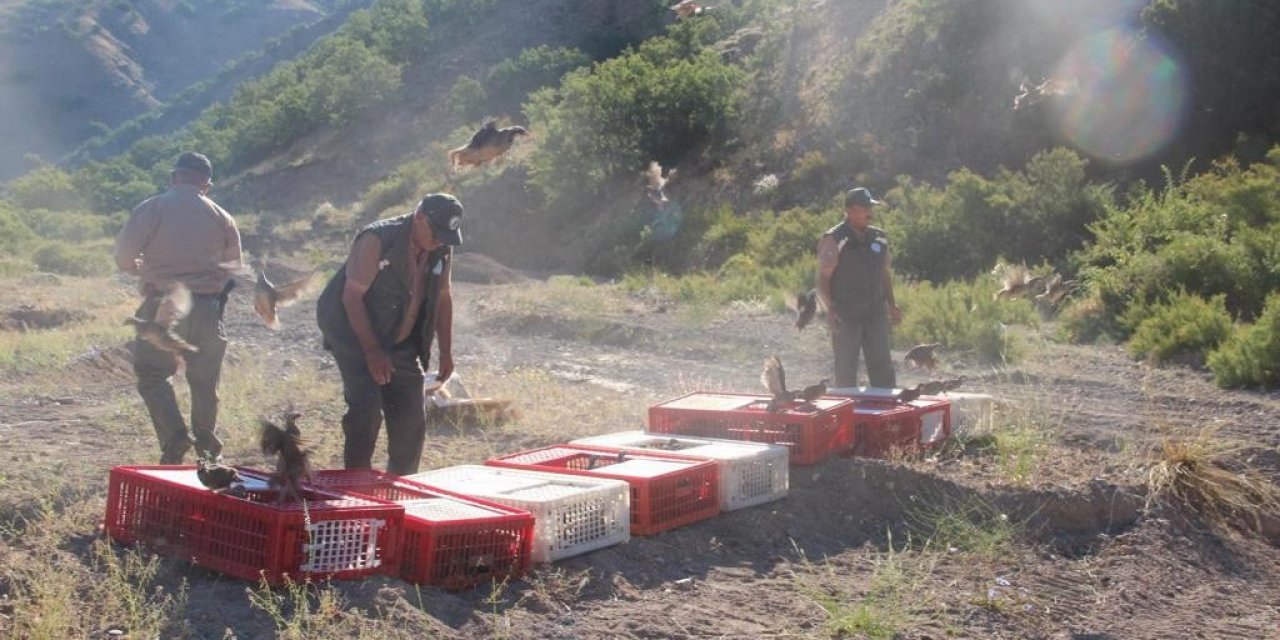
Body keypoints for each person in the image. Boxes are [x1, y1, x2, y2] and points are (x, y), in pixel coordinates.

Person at [316, 193, 461, 475]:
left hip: (401, 337)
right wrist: (372, 351)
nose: (440, 241)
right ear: (419, 217)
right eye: (436, 233)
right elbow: (351, 297)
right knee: (367, 407)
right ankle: (356, 484)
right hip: (353, 333)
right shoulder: (377, 240)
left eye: (446, 236)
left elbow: (443, 297)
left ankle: (403, 486)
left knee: (411, 415)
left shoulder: (442, 246)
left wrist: (446, 350)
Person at [114, 152, 242, 464]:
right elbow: (234, 267)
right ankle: (208, 453)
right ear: (207, 185)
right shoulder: (222, 216)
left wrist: (141, 269)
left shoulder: (152, 207)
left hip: (163, 305)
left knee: (153, 374)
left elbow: (123, 258)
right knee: (204, 382)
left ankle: (174, 440)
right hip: (207, 309)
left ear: (173, 178)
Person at [817, 187, 902, 389]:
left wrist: (892, 304)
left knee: (883, 369)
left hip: (875, 314)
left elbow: (884, 273)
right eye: (865, 208)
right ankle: (847, 417)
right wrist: (829, 309)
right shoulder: (834, 238)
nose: (869, 213)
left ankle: (886, 417)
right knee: (845, 372)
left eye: (870, 208)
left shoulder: (879, 237)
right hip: (846, 316)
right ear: (850, 210)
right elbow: (823, 277)